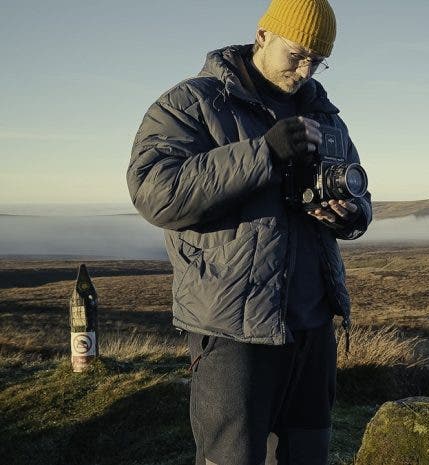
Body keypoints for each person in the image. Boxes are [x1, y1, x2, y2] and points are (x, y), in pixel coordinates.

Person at [126, 0, 371, 463]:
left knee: (307, 455)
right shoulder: (192, 103)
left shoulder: (326, 116)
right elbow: (154, 192)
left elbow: (359, 192)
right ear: (263, 36)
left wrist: (351, 216)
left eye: (318, 61)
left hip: (313, 326)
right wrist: (265, 152)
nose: (305, 70)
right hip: (232, 329)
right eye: (296, 55)